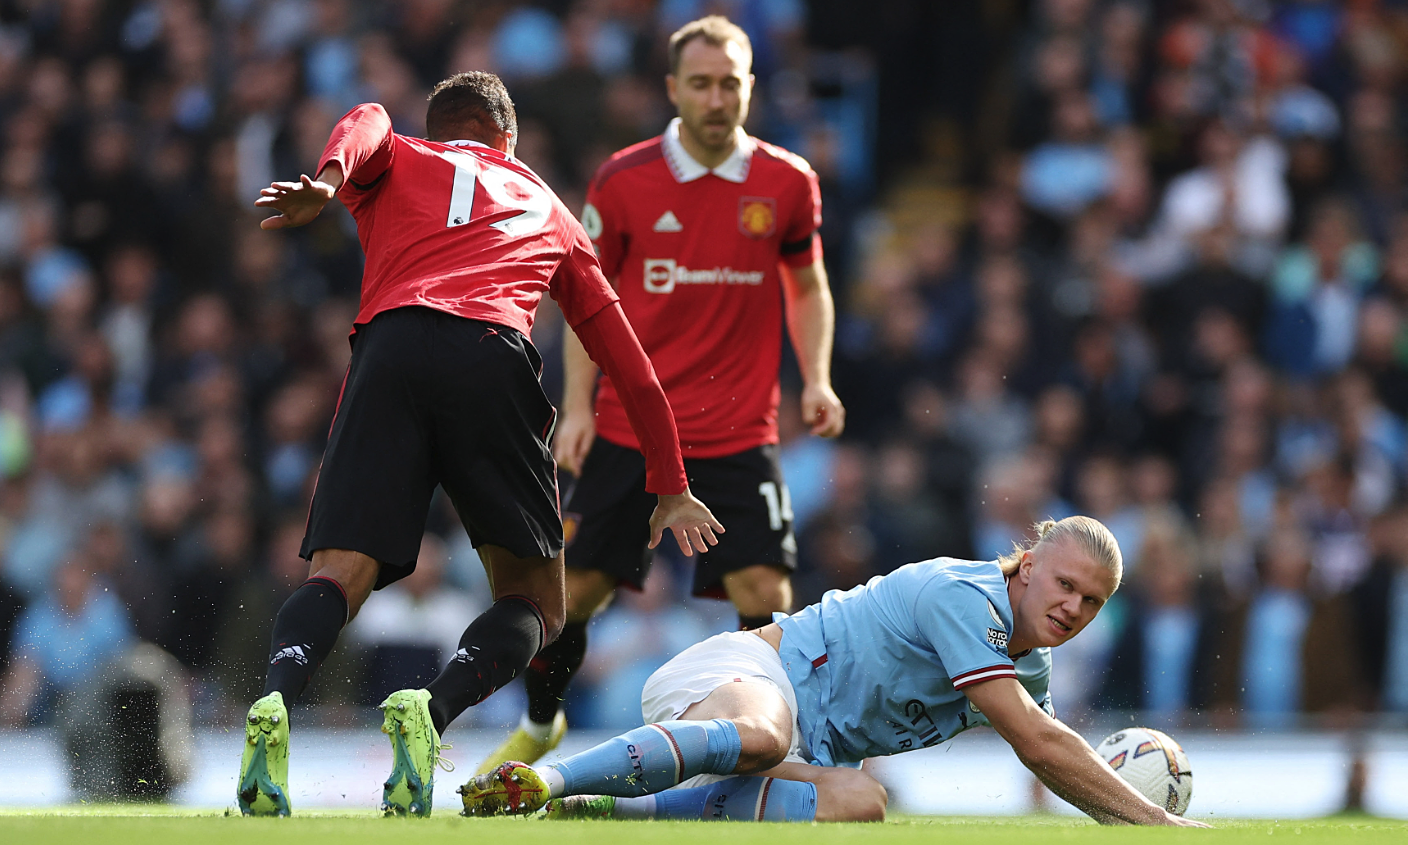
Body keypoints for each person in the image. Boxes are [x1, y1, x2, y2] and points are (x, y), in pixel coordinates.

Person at [238, 71, 723, 818]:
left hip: (389, 348)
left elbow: (365, 117)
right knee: (536, 603)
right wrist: (669, 479)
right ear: (510, 141)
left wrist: (332, 182)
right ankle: (429, 713)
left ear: (438, 132)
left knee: (339, 572)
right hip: (491, 354)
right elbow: (631, 364)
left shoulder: (400, 155)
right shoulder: (552, 210)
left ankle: (274, 694)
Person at [480, 14, 844, 774]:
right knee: (572, 596)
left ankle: (769, 747)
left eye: (731, 84)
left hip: (740, 431)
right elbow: (582, 302)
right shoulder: (624, 179)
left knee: (765, 591)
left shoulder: (787, 181)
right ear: (674, 89)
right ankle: (543, 722)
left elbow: (807, 287)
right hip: (629, 429)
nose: (717, 98)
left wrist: (816, 377)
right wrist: (578, 406)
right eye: (702, 84)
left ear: (751, 87)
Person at [460, 516, 1208, 826]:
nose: (1075, 606)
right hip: (749, 671)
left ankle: (598, 812)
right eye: (1066, 585)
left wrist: (1103, 815)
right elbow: (1040, 741)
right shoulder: (965, 594)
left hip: (800, 752)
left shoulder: (1029, 662)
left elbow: (1044, 754)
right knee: (762, 732)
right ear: (1031, 562)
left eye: (1094, 601)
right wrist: (1161, 825)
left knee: (857, 799)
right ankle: (549, 778)